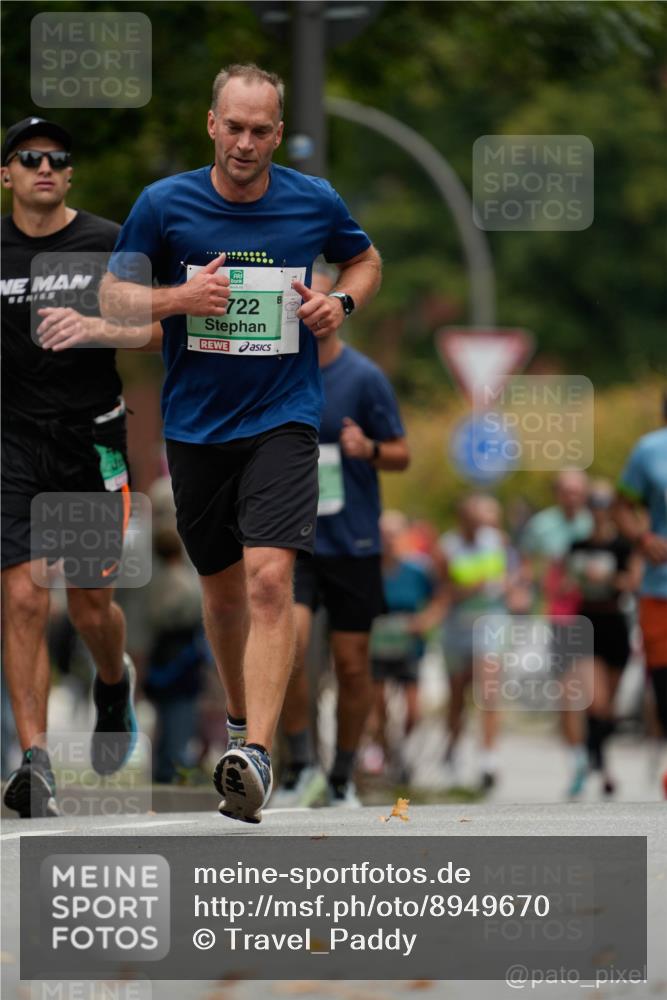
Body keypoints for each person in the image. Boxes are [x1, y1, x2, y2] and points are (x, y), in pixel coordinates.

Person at [100, 64, 382, 823]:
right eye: (235, 127)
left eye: (262, 130)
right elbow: (114, 293)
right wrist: (178, 299)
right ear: (212, 124)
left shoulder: (311, 201)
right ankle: (236, 724)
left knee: (267, 582)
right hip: (195, 428)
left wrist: (339, 300)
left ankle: (255, 752)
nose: (247, 143)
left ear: (278, 133)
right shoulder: (164, 204)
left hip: (284, 416)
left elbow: (364, 257)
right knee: (222, 594)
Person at [1, 117, 160, 818]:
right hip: (10, 444)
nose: (44, 168)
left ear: (69, 175)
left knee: (92, 608)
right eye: (28, 158)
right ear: (6, 173)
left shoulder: (106, 240)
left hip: (90, 442)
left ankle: (111, 681)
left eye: (57, 159)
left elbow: (157, 325)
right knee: (23, 598)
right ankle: (36, 761)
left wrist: (98, 327)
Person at [273, 267, 409, 807]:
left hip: (352, 540)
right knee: (290, 650)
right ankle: (301, 763)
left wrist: (369, 450)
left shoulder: (366, 378)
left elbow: (401, 453)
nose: (313, 306)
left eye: (323, 296)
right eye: (303, 297)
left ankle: (343, 775)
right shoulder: (281, 371)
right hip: (293, 536)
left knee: (353, 665)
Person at [565, 480, 641, 796]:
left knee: (609, 707)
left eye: (603, 502)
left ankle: (599, 761)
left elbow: (632, 581)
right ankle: (594, 762)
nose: (598, 510)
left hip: (615, 622)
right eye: (593, 502)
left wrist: (608, 577)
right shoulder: (578, 545)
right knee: (596, 701)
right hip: (588, 621)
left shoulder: (624, 546)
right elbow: (567, 582)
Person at [520, 470, 593, 795]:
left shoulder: (596, 522)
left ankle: (595, 749)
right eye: (566, 491)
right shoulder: (541, 526)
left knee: (596, 693)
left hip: (598, 614)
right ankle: (577, 757)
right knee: (569, 692)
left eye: (578, 491)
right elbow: (525, 562)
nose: (572, 496)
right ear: (557, 493)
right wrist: (526, 587)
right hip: (562, 616)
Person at [439, 495, 508, 790]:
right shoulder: (447, 547)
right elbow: (443, 591)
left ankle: (488, 758)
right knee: (458, 694)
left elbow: (511, 575)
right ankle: (452, 750)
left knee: (488, 689)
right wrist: (472, 587)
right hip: (456, 625)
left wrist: (512, 586)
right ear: (463, 518)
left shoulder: (497, 541)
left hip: (490, 622)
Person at [366, 510, 440, 784]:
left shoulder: (419, 569)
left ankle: (401, 748)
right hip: (376, 646)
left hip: (409, 647)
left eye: (393, 535)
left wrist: (424, 621)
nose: (388, 541)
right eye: (383, 535)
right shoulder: (368, 570)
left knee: (413, 711)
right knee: (378, 707)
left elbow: (440, 599)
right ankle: (386, 754)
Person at [616, 402, 667, 798]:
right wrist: (644, 539)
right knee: (664, 681)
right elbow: (621, 507)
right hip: (660, 587)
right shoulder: (649, 450)